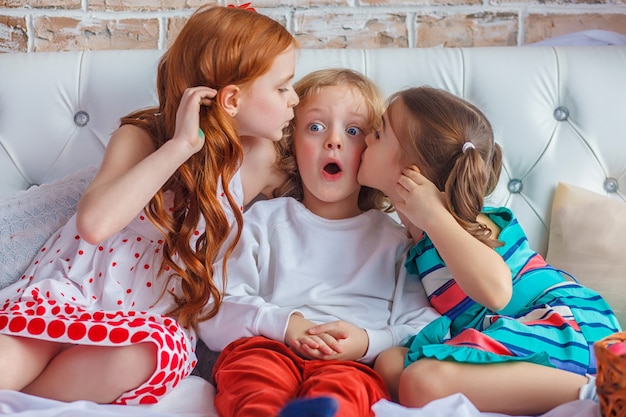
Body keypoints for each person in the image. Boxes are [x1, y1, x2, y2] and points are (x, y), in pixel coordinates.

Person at [0, 4, 299, 405]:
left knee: (156, 352)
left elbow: (321, 197)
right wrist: (180, 147)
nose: (294, 98)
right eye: (282, 87)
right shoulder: (143, 138)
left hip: (143, 325)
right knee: (16, 356)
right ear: (231, 99)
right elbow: (94, 224)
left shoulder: (259, 159)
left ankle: (23, 403)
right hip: (72, 296)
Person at [357, 86, 622, 415]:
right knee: (392, 366)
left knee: (420, 382)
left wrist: (434, 215)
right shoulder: (413, 238)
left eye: (379, 133)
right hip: (501, 331)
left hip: (563, 325)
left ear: (412, 172)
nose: (367, 136)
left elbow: (497, 292)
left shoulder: (465, 222)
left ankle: (602, 393)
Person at [197, 69, 439, 417]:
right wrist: (286, 324)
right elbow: (214, 308)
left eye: (353, 131)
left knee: (348, 393)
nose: (334, 141)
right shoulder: (263, 222)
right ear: (291, 144)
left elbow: (423, 324)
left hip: (353, 364)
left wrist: (367, 342)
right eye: (315, 127)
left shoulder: (395, 240)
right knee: (253, 380)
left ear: (373, 151)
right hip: (269, 347)